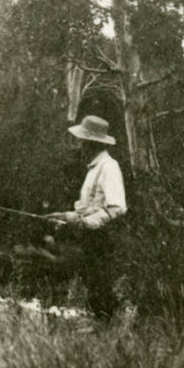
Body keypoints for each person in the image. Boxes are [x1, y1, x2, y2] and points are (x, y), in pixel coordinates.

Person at [47, 115, 127, 320]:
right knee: (93, 285)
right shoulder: (94, 168)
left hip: (102, 237)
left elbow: (117, 207)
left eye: (82, 141)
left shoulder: (109, 167)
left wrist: (86, 223)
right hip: (90, 236)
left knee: (101, 285)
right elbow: (89, 208)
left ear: (92, 143)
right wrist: (66, 216)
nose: (79, 145)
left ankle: (107, 327)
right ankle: (102, 327)